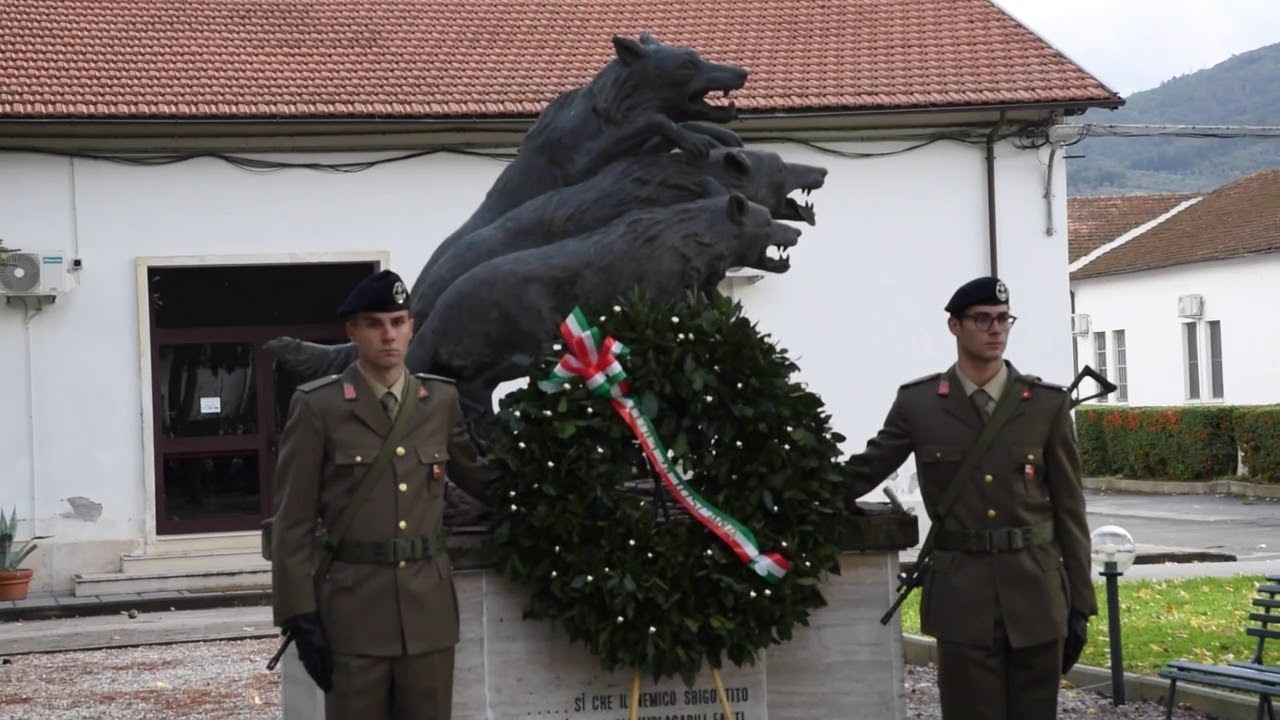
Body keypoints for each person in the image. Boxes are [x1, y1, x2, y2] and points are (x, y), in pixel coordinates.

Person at [843, 276, 1096, 720]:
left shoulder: (1045, 405)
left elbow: (1071, 512)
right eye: (982, 319)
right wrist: (794, 496)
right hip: (963, 599)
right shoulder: (919, 405)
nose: (995, 329)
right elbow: (867, 467)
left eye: (1003, 319)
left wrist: (1080, 604)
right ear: (954, 326)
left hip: (1036, 594)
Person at [270, 268, 497, 719]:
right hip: (354, 617)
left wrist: (563, 476)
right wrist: (299, 613)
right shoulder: (320, 406)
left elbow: (484, 481)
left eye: (397, 321)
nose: (388, 335)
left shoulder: (440, 401)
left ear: (412, 327)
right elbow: (292, 520)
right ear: (353, 331)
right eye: (374, 323)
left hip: (429, 616)